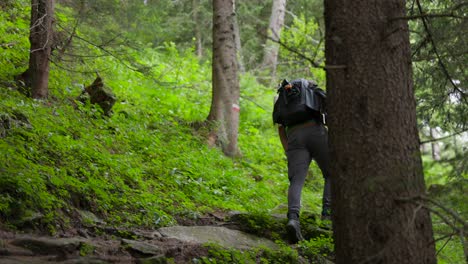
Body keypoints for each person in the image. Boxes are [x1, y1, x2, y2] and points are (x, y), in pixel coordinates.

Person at [274, 79, 332, 244]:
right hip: (316, 132)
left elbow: (280, 128)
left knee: (296, 181)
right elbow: (328, 116)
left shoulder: (282, 98)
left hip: (293, 137)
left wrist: (289, 151)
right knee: (331, 174)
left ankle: (293, 218)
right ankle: (327, 217)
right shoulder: (312, 91)